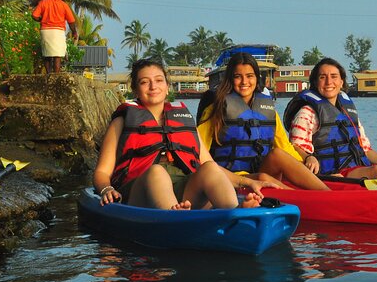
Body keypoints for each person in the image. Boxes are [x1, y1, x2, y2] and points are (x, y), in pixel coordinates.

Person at [93, 58, 276, 209]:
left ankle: (235, 213)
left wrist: (246, 182)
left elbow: (209, 164)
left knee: (210, 169)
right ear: (135, 89)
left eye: (158, 80)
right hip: (139, 192)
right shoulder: (122, 122)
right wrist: (106, 189)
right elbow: (102, 171)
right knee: (157, 172)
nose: (153, 86)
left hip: (182, 190)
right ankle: (176, 219)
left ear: (167, 86)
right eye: (144, 82)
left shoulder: (182, 119)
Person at [197, 52, 330, 190]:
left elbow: (285, 147)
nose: (244, 82)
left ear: (256, 78)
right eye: (238, 77)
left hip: (261, 170)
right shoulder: (216, 109)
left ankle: (326, 193)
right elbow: (199, 150)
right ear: (230, 79)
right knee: (262, 178)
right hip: (232, 179)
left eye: (249, 76)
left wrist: (308, 158)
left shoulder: (268, 110)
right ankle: (308, 199)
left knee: (277, 154)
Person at [31, 0, 78, 74]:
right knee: (57, 54)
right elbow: (71, 21)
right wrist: (74, 32)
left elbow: (34, 15)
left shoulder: (43, 2)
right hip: (58, 31)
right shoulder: (64, 5)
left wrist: (41, 20)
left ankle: (48, 74)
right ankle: (56, 75)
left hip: (45, 30)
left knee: (46, 53)